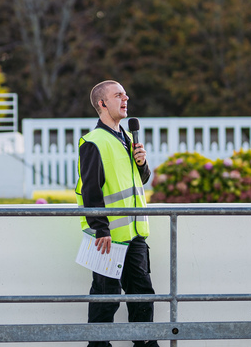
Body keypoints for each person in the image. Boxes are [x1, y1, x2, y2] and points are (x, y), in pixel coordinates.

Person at [75, 80, 158, 347]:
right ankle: (97, 346)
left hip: (135, 236)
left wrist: (142, 164)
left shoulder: (127, 138)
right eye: (118, 95)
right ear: (102, 104)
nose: (126, 98)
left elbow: (138, 182)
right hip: (107, 238)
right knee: (105, 297)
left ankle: (146, 344)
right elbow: (90, 189)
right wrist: (101, 228)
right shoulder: (93, 141)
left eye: (125, 95)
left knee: (143, 296)